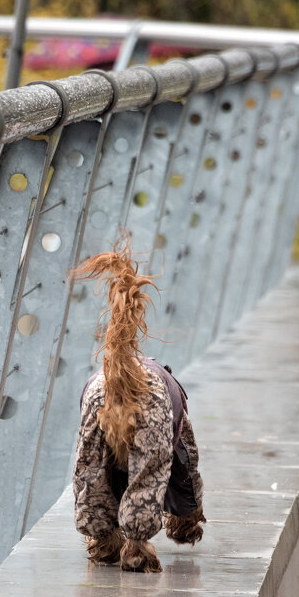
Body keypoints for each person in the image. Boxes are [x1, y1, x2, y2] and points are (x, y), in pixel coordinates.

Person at [71, 243, 206, 574]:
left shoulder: (99, 386)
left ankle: (103, 540)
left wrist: (99, 527)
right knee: (151, 466)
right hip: (148, 401)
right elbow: (184, 466)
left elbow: (87, 468)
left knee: (93, 465)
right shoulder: (165, 394)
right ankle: (136, 546)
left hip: (97, 395)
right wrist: (187, 515)